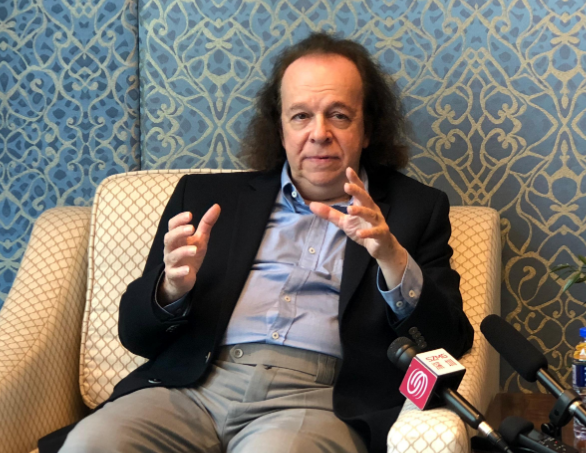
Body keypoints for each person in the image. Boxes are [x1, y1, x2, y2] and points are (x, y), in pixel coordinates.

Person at [48, 32, 473, 453]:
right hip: (192, 388)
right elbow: (135, 334)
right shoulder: (205, 199)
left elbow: (448, 342)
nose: (319, 133)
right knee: (90, 444)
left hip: (318, 402)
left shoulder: (416, 210)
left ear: (367, 129)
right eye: (300, 116)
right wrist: (171, 290)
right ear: (281, 130)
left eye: (339, 115)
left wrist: (393, 259)